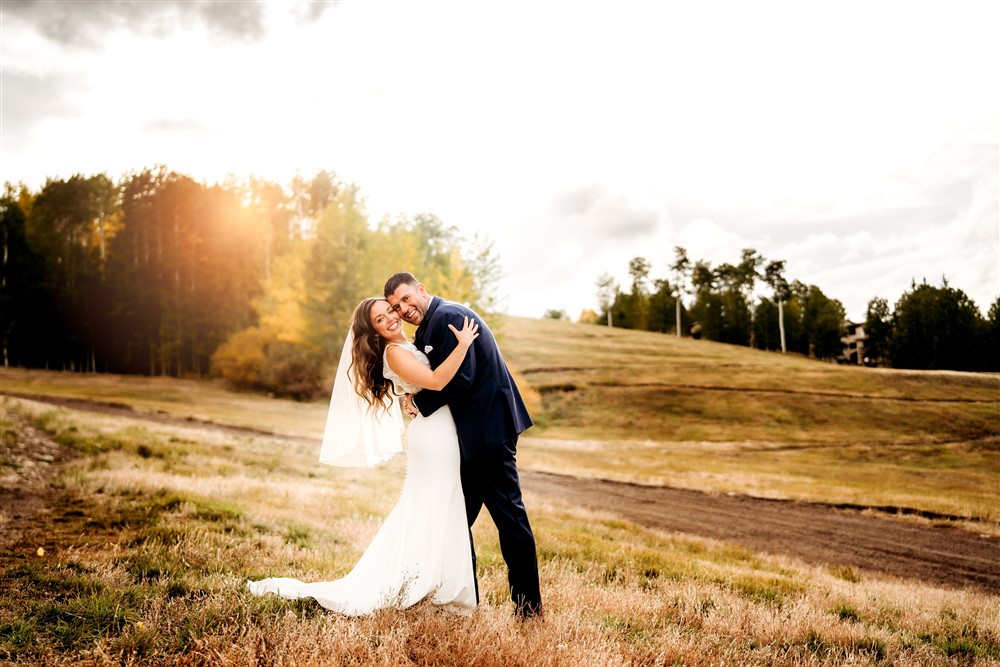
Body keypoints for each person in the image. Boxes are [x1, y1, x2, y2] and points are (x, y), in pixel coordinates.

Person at [247, 297, 481, 616]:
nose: (391, 319)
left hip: (440, 428)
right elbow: (438, 381)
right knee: (429, 504)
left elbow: (429, 382)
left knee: (441, 504)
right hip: (432, 436)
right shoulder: (394, 353)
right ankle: (414, 583)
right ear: (374, 332)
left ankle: (435, 583)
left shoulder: (408, 344)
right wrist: (463, 345)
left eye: (390, 312)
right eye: (381, 320)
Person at [384, 272, 543, 618]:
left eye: (407, 299)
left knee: (509, 519)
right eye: (396, 306)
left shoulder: (449, 318)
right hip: (468, 437)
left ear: (421, 290)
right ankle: (457, 597)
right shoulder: (429, 326)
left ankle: (529, 609)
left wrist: (420, 404)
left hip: (487, 431)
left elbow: (462, 380)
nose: (403, 309)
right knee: (454, 519)